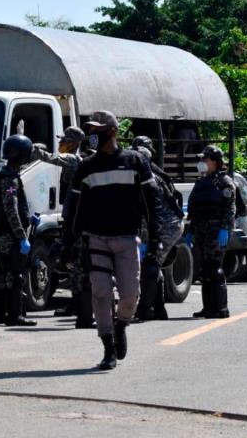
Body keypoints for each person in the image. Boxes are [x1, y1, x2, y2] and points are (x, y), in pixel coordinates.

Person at [69, 111, 163, 370]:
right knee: (100, 292)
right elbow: (74, 206)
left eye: (97, 131)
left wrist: (156, 239)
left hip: (125, 238)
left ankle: (121, 324)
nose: (92, 136)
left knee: (131, 294)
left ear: (112, 132)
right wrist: (69, 241)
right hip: (95, 238)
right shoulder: (86, 166)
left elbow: (152, 203)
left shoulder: (135, 161)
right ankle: (108, 347)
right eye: (90, 131)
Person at [33, 126, 94, 326]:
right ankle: (76, 303)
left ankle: (77, 304)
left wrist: (34, 150)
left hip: (77, 218)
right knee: (72, 261)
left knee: (77, 263)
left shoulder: (74, 159)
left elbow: (53, 159)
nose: (62, 143)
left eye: (66, 140)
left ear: (75, 143)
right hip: (71, 215)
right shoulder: (76, 159)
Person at [131, 136, 185, 321]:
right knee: (153, 265)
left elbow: (155, 210)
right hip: (154, 224)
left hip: (166, 225)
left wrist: (154, 239)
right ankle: (159, 309)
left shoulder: (150, 177)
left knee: (150, 264)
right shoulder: (144, 173)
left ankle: (145, 309)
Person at [0, 134, 38, 327]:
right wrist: (21, 236)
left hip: (5, 233)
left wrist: (29, 218)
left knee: (2, 274)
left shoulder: (5, 175)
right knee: (16, 274)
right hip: (12, 234)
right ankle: (15, 315)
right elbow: (11, 209)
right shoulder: (9, 178)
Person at [186, 145, 237, 319]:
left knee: (215, 268)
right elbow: (194, 207)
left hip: (216, 230)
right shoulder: (201, 182)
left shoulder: (225, 182)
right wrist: (190, 230)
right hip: (201, 230)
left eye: (205, 159)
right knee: (205, 270)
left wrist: (225, 229)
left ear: (215, 162)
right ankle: (208, 308)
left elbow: (230, 208)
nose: (202, 163)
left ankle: (221, 308)